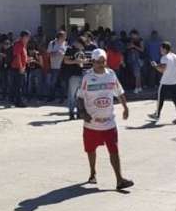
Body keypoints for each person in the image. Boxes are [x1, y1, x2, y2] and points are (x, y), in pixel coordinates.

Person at [78, 49, 134, 190]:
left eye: (103, 62)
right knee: (91, 150)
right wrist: (82, 112)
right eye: (98, 62)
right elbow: (80, 97)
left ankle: (120, 180)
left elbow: (119, 92)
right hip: (92, 124)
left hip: (109, 122)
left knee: (114, 150)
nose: (101, 65)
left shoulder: (111, 75)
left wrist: (125, 107)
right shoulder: (87, 78)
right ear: (93, 62)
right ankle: (92, 173)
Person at [149, 42, 176, 124]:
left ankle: (157, 114)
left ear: (164, 49)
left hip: (166, 82)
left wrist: (155, 66)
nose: (160, 50)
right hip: (175, 81)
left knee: (160, 99)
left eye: (161, 49)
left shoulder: (164, 57)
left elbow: (162, 70)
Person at [61, 38, 86, 120]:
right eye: (81, 44)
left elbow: (82, 62)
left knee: (79, 95)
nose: (82, 46)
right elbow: (65, 61)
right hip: (72, 75)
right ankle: (71, 113)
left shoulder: (81, 51)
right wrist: (76, 61)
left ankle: (79, 112)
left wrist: (83, 61)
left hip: (80, 74)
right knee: (72, 95)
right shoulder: (70, 49)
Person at [10, 30, 31, 108]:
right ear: (23, 37)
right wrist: (21, 67)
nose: (28, 39)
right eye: (27, 37)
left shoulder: (23, 45)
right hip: (17, 68)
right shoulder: (18, 44)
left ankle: (18, 101)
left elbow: (23, 56)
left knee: (20, 85)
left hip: (22, 67)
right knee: (19, 86)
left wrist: (28, 59)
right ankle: (19, 102)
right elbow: (18, 56)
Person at [47, 31, 67, 102]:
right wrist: (56, 53)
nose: (65, 38)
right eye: (64, 36)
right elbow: (48, 54)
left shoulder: (65, 44)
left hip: (63, 66)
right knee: (53, 83)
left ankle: (62, 98)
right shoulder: (52, 43)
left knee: (63, 83)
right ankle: (51, 97)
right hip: (54, 66)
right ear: (60, 37)